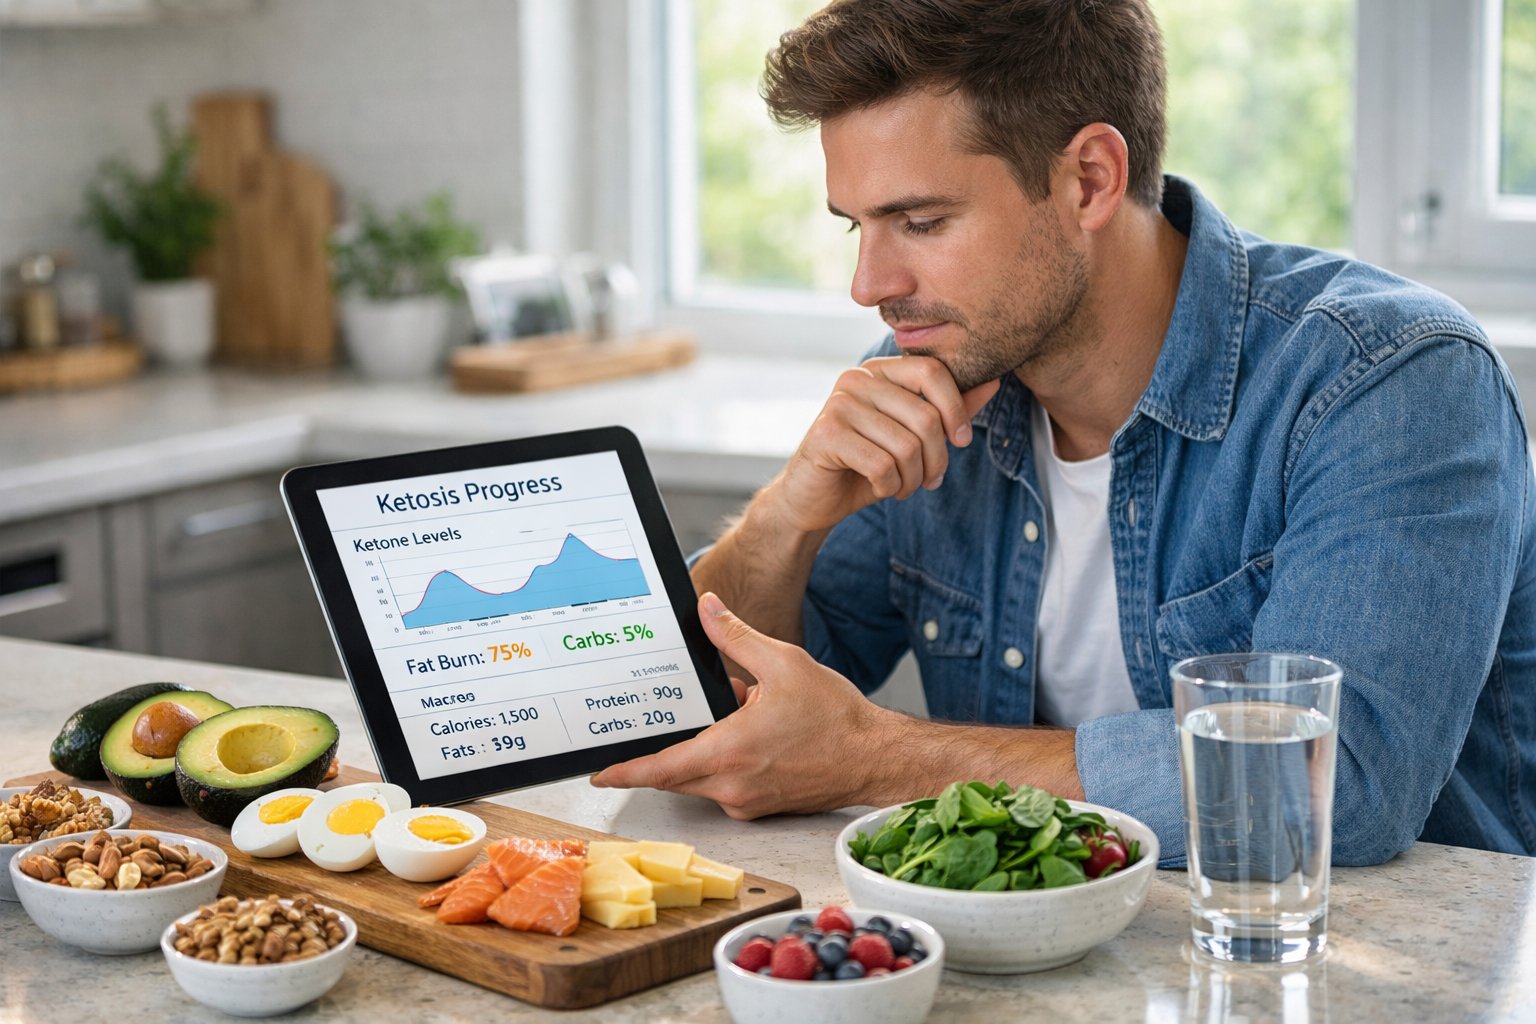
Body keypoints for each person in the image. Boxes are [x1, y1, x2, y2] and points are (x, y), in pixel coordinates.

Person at [592, 0, 1536, 865]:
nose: (869, 284)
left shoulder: (1386, 380)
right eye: (856, 228)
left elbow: (1333, 789)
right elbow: (709, 703)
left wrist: (880, 760)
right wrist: (787, 515)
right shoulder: (933, 381)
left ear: (1089, 178)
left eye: (919, 220)